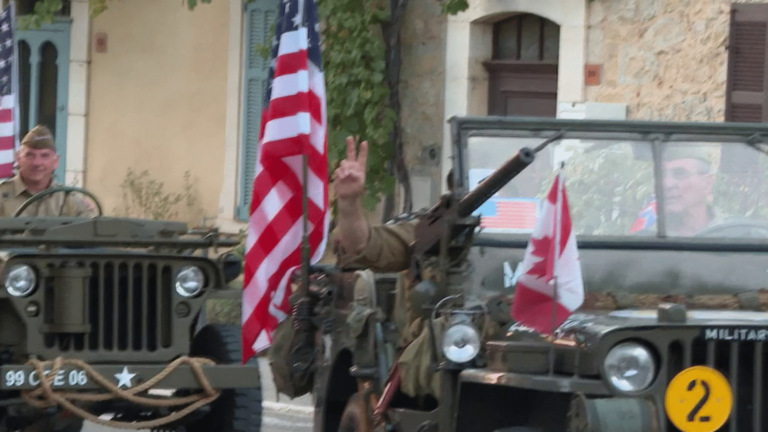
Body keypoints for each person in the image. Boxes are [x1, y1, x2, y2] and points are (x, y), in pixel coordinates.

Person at [0, 125, 97, 218]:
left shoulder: (69, 200)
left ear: (55, 161)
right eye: (30, 155)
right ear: (18, 159)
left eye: (44, 156)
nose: (37, 162)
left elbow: (92, 231)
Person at [660, 145, 723, 236]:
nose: (667, 184)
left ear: (707, 183)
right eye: (661, 175)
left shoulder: (736, 232)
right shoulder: (647, 236)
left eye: (680, 174)